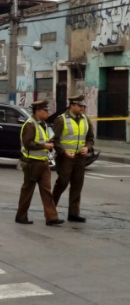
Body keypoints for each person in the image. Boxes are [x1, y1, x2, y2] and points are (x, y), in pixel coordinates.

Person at [16, 100, 64, 226]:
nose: (48, 113)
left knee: (46, 190)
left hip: (43, 162)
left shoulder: (43, 124)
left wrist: (50, 145)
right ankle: (21, 216)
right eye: (45, 110)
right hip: (32, 162)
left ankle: (51, 217)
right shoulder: (30, 125)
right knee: (28, 190)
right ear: (38, 112)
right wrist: (44, 145)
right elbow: (28, 143)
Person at [51, 94, 94, 223]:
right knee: (62, 183)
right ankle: (51, 211)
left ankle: (74, 213)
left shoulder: (85, 119)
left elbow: (90, 138)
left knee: (77, 185)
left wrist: (87, 147)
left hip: (80, 158)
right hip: (66, 158)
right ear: (72, 105)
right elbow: (55, 140)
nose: (83, 108)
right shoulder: (61, 120)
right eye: (80, 106)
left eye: (84, 106)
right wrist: (63, 152)